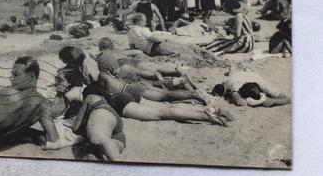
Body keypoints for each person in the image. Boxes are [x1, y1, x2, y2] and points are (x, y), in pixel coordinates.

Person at [97, 72, 231, 126]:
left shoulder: (90, 89)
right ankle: (209, 110)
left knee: (166, 111)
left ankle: (207, 116)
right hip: (128, 90)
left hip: (123, 98)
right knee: (167, 104)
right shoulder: (104, 74)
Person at [73, 84, 125, 161]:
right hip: (116, 123)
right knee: (94, 152)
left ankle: (121, 166)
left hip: (102, 114)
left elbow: (76, 126)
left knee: (96, 138)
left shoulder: (90, 97)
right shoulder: (105, 99)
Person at [212, 69, 291, 107]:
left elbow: (287, 99)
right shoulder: (236, 86)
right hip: (234, 79)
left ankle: (234, 69)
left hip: (250, 75)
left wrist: (273, 101)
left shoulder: (263, 84)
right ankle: (232, 70)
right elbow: (240, 102)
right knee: (224, 91)